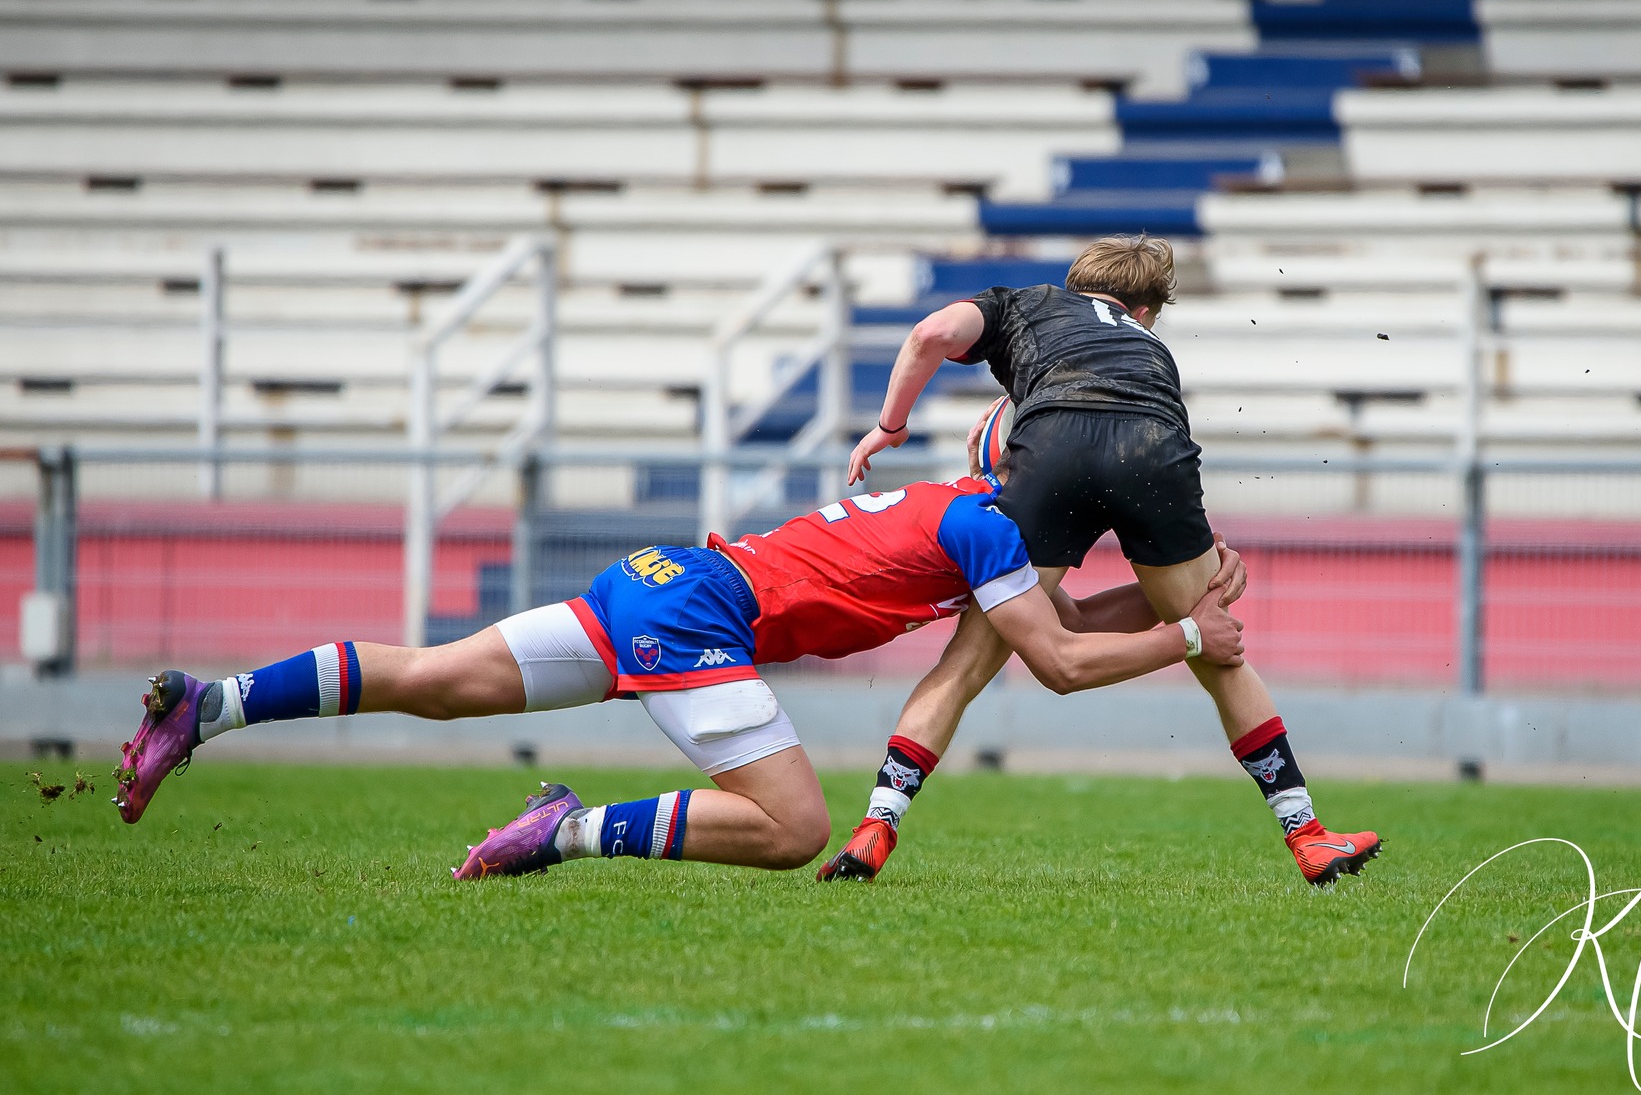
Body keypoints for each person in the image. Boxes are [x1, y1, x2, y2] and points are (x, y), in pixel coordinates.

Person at [113, 467, 1245, 880]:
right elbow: (1049, 658)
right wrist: (1190, 641)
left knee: (435, 676)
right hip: (698, 616)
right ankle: (556, 833)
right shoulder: (990, 533)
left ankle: (208, 706)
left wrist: (1171, 596)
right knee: (796, 823)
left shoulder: (954, 510)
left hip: (659, 579)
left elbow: (1056, 609)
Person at [825, 235, 1382, 887]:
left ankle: (877, 821)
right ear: (1146, 312)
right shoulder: (1154, 352)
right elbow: (1131, 432)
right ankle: (1308, 834)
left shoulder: (1026, 303)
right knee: (1218, 650)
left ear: (1074, 283)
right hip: (1152, 451)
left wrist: (892, 427)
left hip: (1050, 447)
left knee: (967, 661)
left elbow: (930, 332)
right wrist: (1203, 570)